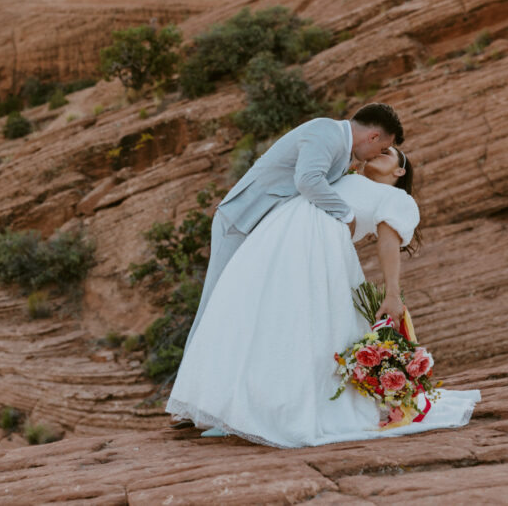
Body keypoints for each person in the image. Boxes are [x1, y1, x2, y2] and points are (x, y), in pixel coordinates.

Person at [165, 146, 481, 447]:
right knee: (260, 319)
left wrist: (392, 293)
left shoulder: (395, 198)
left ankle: (276, 411)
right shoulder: (343, 177)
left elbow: (387, 244)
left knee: (306, 330)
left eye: (388, 153)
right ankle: (235, 407)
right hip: (282, 237)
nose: (379, 152)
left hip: (317, 252)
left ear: (400, 170)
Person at [184, 103, 405, 352]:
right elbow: (308, 180)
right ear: (373, 136)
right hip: (242, 220)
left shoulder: (343, 152)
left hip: (265, 230)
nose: (379, 153)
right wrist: (347, 215)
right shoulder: (327, 131)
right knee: (216, 302)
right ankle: (190, 376)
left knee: (243, 308)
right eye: (383, 148)